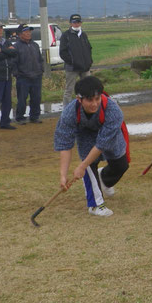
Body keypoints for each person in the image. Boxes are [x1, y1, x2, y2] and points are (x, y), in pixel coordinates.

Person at [54, 76, 129, 217]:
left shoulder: (113, 111)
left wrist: (81, 167)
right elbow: (65, 144)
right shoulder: (69, 113)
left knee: (122, 165)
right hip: (85, 135)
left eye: (97, 99)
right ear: (79, 99)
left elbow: (101, 144)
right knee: (89, 165)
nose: (94, 104)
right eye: (89, 100)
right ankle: (95, 205)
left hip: (109, 135)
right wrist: (63, 175)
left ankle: (103, 178)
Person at [13, 24, 44, 124]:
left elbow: (40, 59)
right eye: (26, 31)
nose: (28, 33)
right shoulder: (16, 46)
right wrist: (17, 74)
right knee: (22, 99)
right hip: (23, 77)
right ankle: (20, 117)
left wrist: (41, 70)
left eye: (29, 31)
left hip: (36, 76)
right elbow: (14, 63)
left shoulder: (35, 45)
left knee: (36, 98)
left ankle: (34, 116)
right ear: (20, 34)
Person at [59, 14, 93, 105]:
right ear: (70, 23)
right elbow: (63, 52)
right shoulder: (66, 36)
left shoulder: (84, 35)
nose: (77, 24)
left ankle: (86, 106)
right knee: (69, 90)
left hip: (85, 67)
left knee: (87, 88)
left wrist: (89, 62)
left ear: (81, 23)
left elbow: (88, 49)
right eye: (74, 22)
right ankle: (67, 111)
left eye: (78, 22)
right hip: (72, 68)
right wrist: (73, 62)